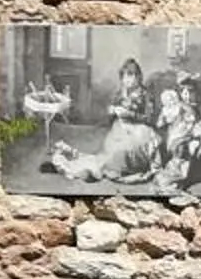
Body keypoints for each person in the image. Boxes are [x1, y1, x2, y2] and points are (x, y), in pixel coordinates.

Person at [44, 57, 162, 186]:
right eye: (124, 77)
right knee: (109, 154)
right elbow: (112, 110)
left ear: (138, 77)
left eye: (131, 76)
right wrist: (112, 110)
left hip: (140, 131)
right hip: (121, 129)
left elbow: (150, 118)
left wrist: (129, 114)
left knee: (123, 152)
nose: (127, 80)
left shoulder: (146, 94)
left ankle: (115, 169)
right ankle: (93, 169)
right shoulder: (121, 92)